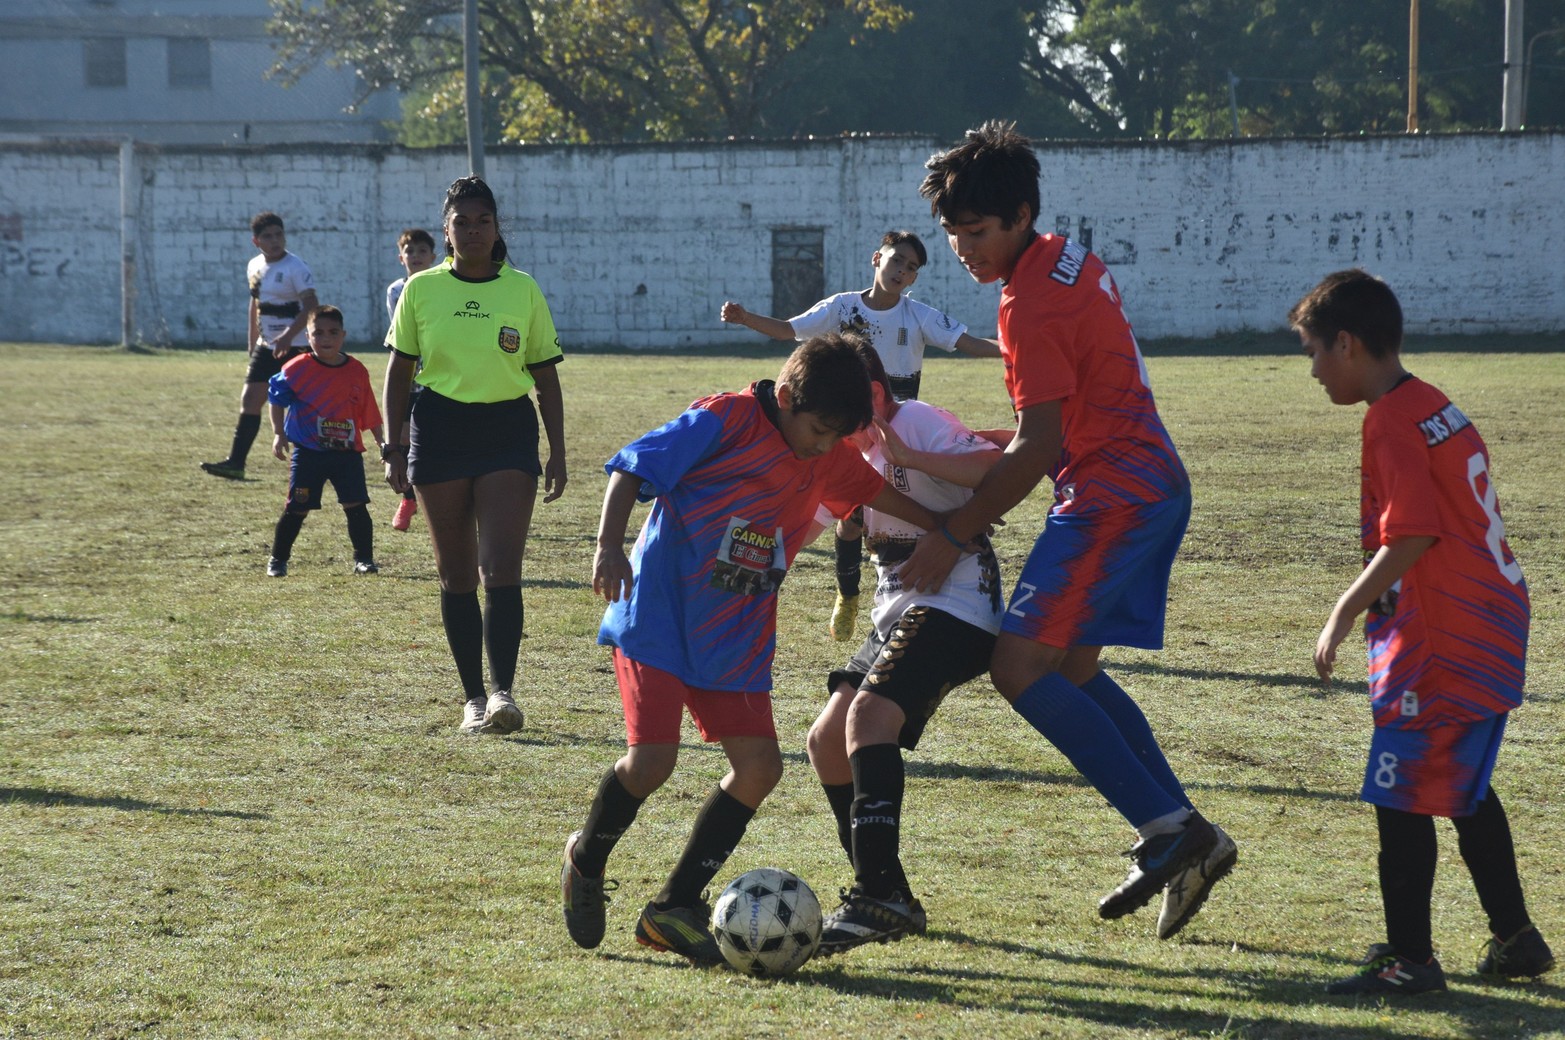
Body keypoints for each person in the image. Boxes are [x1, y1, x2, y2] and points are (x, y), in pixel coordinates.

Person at [901, 120, 1235, 941]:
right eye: (951, 236)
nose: (962, 251)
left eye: (976, 233)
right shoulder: (1067, 256)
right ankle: (1190, 834)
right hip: (1143, 483)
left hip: (1111, 496)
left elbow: (1038, 444)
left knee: (1018, 666)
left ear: (1018, 214)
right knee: (1072, 669)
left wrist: (955, 531)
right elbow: (1043, 431)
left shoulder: (1028, 303)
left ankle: (1169, 830)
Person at [559, 334, 950, 966]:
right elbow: (633, 466)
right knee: (651, 762)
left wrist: (949, 530)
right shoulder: (727, 418)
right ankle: (587, 858)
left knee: (761, 769)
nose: (824, 447)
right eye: (819, 430)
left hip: (736, 637)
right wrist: (608, 545)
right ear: (789, 396)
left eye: (837, 437)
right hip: (660, 618)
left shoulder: (828, 453)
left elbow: (879, 494)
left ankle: (672, 907)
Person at [1291, 269, 1553, 994]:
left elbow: (1410, 535)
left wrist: (1341, 612)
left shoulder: (1388, 419)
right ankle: (1515, 939)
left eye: (1312, 351)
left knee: (1397, 790)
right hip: (1489, 621)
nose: (1311, 370)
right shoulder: (1434, 402)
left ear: (1346, 344)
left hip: (1442, 636)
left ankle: (1409, 960)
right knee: (1461, 785)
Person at [803, 340, 1005, 955]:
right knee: (826, 742)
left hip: (958, 601)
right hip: (901, 604)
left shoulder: (913, 421)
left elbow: (1001, 465)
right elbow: (804, 519)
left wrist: (913, 457)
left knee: (869, 718)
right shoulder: (846, 450)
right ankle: (887, 889)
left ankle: (875, 895)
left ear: (870, 393)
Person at [722, 231, 1000, 644]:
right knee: (843, 522)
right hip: (849, 434)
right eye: (898, 261)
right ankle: (845, 594)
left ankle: (916, 588)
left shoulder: (918, 317)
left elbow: (972, 343)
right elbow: (788, 330)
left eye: (911, 268)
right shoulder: (841, 308)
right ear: (877, 259)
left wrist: (1022, 348)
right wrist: (747, 318)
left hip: (895, 434)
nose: (902, 272)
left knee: (879, 514)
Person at [382, 175, 566, 737]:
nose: (474, 230)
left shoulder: (523, 289)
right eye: (462, 222)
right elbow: (398, 372)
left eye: (483, 220)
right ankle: (472, 698)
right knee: (456, 573)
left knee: (500, 568)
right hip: (438, 430)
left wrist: (558, 450)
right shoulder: (421, 290)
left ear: (497, 226)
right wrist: (393, 445)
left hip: (506, 430)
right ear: (446, 231)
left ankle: (504, 693)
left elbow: (545, 376)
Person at [264, 305, 384, 576]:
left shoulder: (356, 370)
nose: (325, 339)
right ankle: (278, 559)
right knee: (297, 507)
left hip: (346, 453)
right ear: (308, 337)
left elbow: (369, 408)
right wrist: (278, 433)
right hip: (308, 453)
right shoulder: (296, 368)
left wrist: (381, 441)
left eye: (332, 332)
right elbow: (276, 398)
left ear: (343, 335)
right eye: (318, 333)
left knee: (356, 505)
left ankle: (363, 560)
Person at [202, 211, 318, 480]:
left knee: (305, 406)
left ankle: (317, 464)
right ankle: (236, 462)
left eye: (279, 234)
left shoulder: (296, 268)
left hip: (297, 346)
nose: (275, 240)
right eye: (268, 236)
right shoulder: (254, 265)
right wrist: (252, 341)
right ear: (256, 241)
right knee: (250, 399)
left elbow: (312, 306)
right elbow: (255, 305)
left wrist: (288, 337)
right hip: (266, 346)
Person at [384, 228, 438, 532]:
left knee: (431, 438)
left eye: (421, 251)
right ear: (401, 257)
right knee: (402, 437)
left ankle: (435, 494)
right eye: (410, 251)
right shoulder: (396, 291)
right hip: (409, 375)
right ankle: (408, 498)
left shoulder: (442, 287)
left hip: (434, 377)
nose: (415, 256)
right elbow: (402, 335)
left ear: (433, 256)